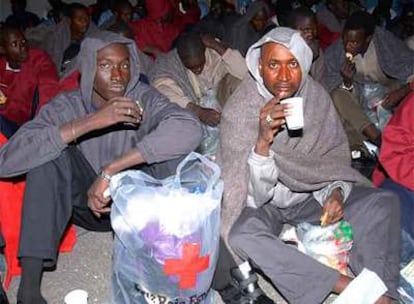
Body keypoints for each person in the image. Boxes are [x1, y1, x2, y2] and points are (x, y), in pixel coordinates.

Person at [0, 31, 202, 304]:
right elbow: (6, 161)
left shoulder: (142, 97)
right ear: (88, 68)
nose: (118, 75)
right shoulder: (66, 105)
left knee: (176, 154)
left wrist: (112, 169)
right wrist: (89, 122)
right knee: (48, 154)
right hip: (86, 207)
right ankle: (29, 289)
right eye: (106, 66)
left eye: (124, 64)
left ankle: (214, 270)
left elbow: (190, 128)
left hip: (138, 206)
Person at [218, 27, 401, 304]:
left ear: (304, 64)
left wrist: (336, 192)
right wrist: (263, 143)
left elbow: (333, 158)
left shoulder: (315, 98)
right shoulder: (239, 109)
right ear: (259, 66)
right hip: (267, 204)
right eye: (273, 65)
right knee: (242, 235)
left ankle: (380, 292)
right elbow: (251, 197)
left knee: (383, 203)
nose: (283, 76)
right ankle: (345, 285)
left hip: (311, 195)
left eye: (292, 63)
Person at [324, 11, 414, 158]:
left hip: (389, 86)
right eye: (345, 40)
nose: (347, 46)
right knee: (338, 95)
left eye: (354, 42)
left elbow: (409, 66)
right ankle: (377, 138)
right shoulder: (335, 53)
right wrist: (347, 82)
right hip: (360, 96)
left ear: (368, 39)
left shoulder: (384, 41)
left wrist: (401, 92)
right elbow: (332, 89)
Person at [150, 32, 247, 128]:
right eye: (192, 67)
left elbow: (245, 72)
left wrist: (217, 46)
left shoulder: (214, 50)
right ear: (181, 59)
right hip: (196, 106)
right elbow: (164, 90)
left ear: (204, 51)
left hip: (222, 96)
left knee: (238, 84)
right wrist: (198, 111)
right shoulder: (170, 64)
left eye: (201, 64)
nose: (197, 70)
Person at [0, 24, 58, 138]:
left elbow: (49, 89)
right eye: (14, 44)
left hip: (34, 125)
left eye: (23, 41)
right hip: (10, 123)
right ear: (2, 49)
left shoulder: (39, 59)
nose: (22, 47)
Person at [42, 2, 98, 76]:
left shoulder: (93, 36)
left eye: (86, 18)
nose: (85, 22)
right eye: (80, 19)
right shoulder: (55, 39)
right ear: (69, 21)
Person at [286, 6, 325, 84]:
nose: (310, 33)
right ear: (291, 31)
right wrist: (309, 59)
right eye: (304, 30)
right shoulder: (285, 52)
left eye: (313, 29)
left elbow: (319, 85)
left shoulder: (317, 51)